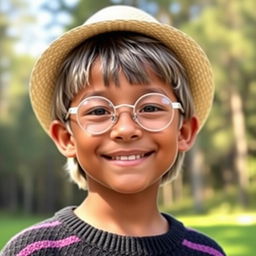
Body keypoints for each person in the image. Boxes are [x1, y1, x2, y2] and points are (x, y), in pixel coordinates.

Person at [1, 5, 226, 256]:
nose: (126, 129)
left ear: (183, 132)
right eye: (98, 111)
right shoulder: (33, 251)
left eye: (150, 107)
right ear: (66, 138)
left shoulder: (206, 252)